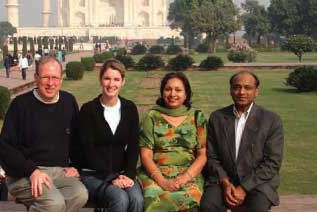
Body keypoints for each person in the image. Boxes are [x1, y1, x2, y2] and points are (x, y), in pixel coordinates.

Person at [0, 56, 88, 212]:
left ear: (61, 79)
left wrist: (76, 166)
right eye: (45, 77)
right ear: (36, 78)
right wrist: (31, 170)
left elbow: (77, 141)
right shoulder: (20, 105)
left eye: (55, 78)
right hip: (24, 174)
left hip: (59, 172)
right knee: (53, 203)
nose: (50, 83)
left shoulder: (68, 101)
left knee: (80, 195)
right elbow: (6, 149)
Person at [200, 71, 284, 212]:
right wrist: (226, 183)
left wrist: (244, 188)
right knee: (207, 206)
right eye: (236, 87)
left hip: (257, 183)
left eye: (247, 87)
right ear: (230, 90)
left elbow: (272, 162)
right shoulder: (217, 117)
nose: (241, 92)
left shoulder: (271, 120)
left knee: (258, 208)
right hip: (223, 180)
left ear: (256, 91)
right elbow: (212, 157)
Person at [77, 59, 144, 212]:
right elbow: (88, 150)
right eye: (107, 78)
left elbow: (133, 145)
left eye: (116, 79)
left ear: (123, 82)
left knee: (137, 199)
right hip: (93, 174)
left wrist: (129, 174)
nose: (111, 84)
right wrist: (111, 177)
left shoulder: (130, 108)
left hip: (121, 173)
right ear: (101, 79)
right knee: (119, 198)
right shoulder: (88, 110)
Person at [137, 72, 207, 212]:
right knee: (155, 199)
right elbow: (145, 155)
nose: (172, 94)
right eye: (168, 89)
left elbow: (202, 155)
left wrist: (184, 178)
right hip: (156, 174)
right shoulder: (151, 117)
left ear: (186, 94)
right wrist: (162, 181)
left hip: (188, 174)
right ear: (162, 92)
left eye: (178, 90)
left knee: (190, 200)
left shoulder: (197, 117)